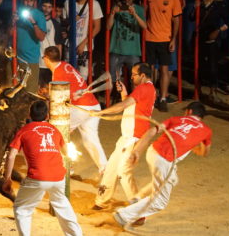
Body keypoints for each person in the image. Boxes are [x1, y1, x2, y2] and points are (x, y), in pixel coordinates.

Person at [113, 102, 212, 226]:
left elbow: (151, 132)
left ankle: (137, 198)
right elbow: (205, 153)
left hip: (153, 152)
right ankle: (123, 215)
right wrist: (193, 145)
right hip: (164, 161)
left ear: (189, 112)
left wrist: (137, 151)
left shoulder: (176, 119)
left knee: (172, 179)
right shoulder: (207, 131)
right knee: (160, 202)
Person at [2, 100, 82, 236]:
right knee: (61, 204)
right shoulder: (55, 130)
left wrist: (7, 178)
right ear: (46, 116)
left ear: (29, 114)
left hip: (37, 177)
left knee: (22, 208)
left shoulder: (24, 130)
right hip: (58, 178)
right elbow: (66, 153)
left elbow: (11, 156)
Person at [91, 62, 156, 210]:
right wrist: (123, 92)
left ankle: (138, 208)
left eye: (134, 75)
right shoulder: (147, 88)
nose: (132, 77)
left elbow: (121, 106)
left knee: (123, 173)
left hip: (133, 138)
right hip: (127, 137)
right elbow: (130, 104)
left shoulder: (143, 88)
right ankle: (101, 201)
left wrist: (100, 112)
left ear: (143, 76)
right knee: (111, 168)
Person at [43, 46, 107, 175]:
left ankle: (66, 165)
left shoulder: (58, 74)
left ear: (46, 59)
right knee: (90, 140)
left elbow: (60, 100)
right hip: (93, 105)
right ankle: (105, 170)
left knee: (58, 131)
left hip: (81, 107)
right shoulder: (65, 65)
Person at [145, 0, 182, 112]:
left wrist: (173, 39)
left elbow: (176, 20)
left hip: (165, 39)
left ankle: (162, 99)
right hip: (149, 38)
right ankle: (150, 96)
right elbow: (144, 13)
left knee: (164, 69)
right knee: (149, 69)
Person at [107, 0, 146, 101]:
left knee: (135, 79)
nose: (127, 3)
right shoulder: (116, 7)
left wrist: (135, 14)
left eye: (129, 0)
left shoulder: (139, 9)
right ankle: (115, 99)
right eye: (125, 0)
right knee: (113, 78)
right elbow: (108, 27)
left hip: (133, 50)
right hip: (116, 49)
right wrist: (112, 14)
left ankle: (133, 102)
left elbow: (144, 26)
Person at [190, 0, 229, 101]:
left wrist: (219, 30)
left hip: (212, 39)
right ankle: (198, 91)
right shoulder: (200, 4)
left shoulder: (220, 5)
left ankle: (213, 92)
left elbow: (228, 22)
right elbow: (191, 18)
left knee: (213, 66)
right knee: (199, 65)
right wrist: (195, 8)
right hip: (200, 38)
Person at [63, 0, 103, 81]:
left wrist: (84, 43)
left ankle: (79, 95)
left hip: (85, 46)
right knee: (68, 75)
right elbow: (64, 23)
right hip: (69, 45)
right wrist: (71, 21)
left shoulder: (94, 4)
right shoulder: (68, 2)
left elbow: (97, 27)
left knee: (82, 78)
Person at [12, 0, 46, 93]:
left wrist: (33, 22)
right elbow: (9, 34)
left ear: (34, 2)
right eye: (26, 0)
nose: (28, 3)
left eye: (31, 0)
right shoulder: (17, 13)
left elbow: (41, 37)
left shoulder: (39, 15)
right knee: (13, 93)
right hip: (15, 59)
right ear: (22, 0)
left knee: (30, 93)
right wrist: (13, 22)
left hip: (31, 60)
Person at [39, 0, 62, 87]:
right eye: (44, 6)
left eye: (49, 7)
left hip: (51, 63)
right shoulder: (35, 22)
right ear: (40, 6)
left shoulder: (56, 24)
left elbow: (58, 44)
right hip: (37, 62)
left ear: (52, 8)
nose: (46, 9)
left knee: (49, 90)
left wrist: (58, 63)